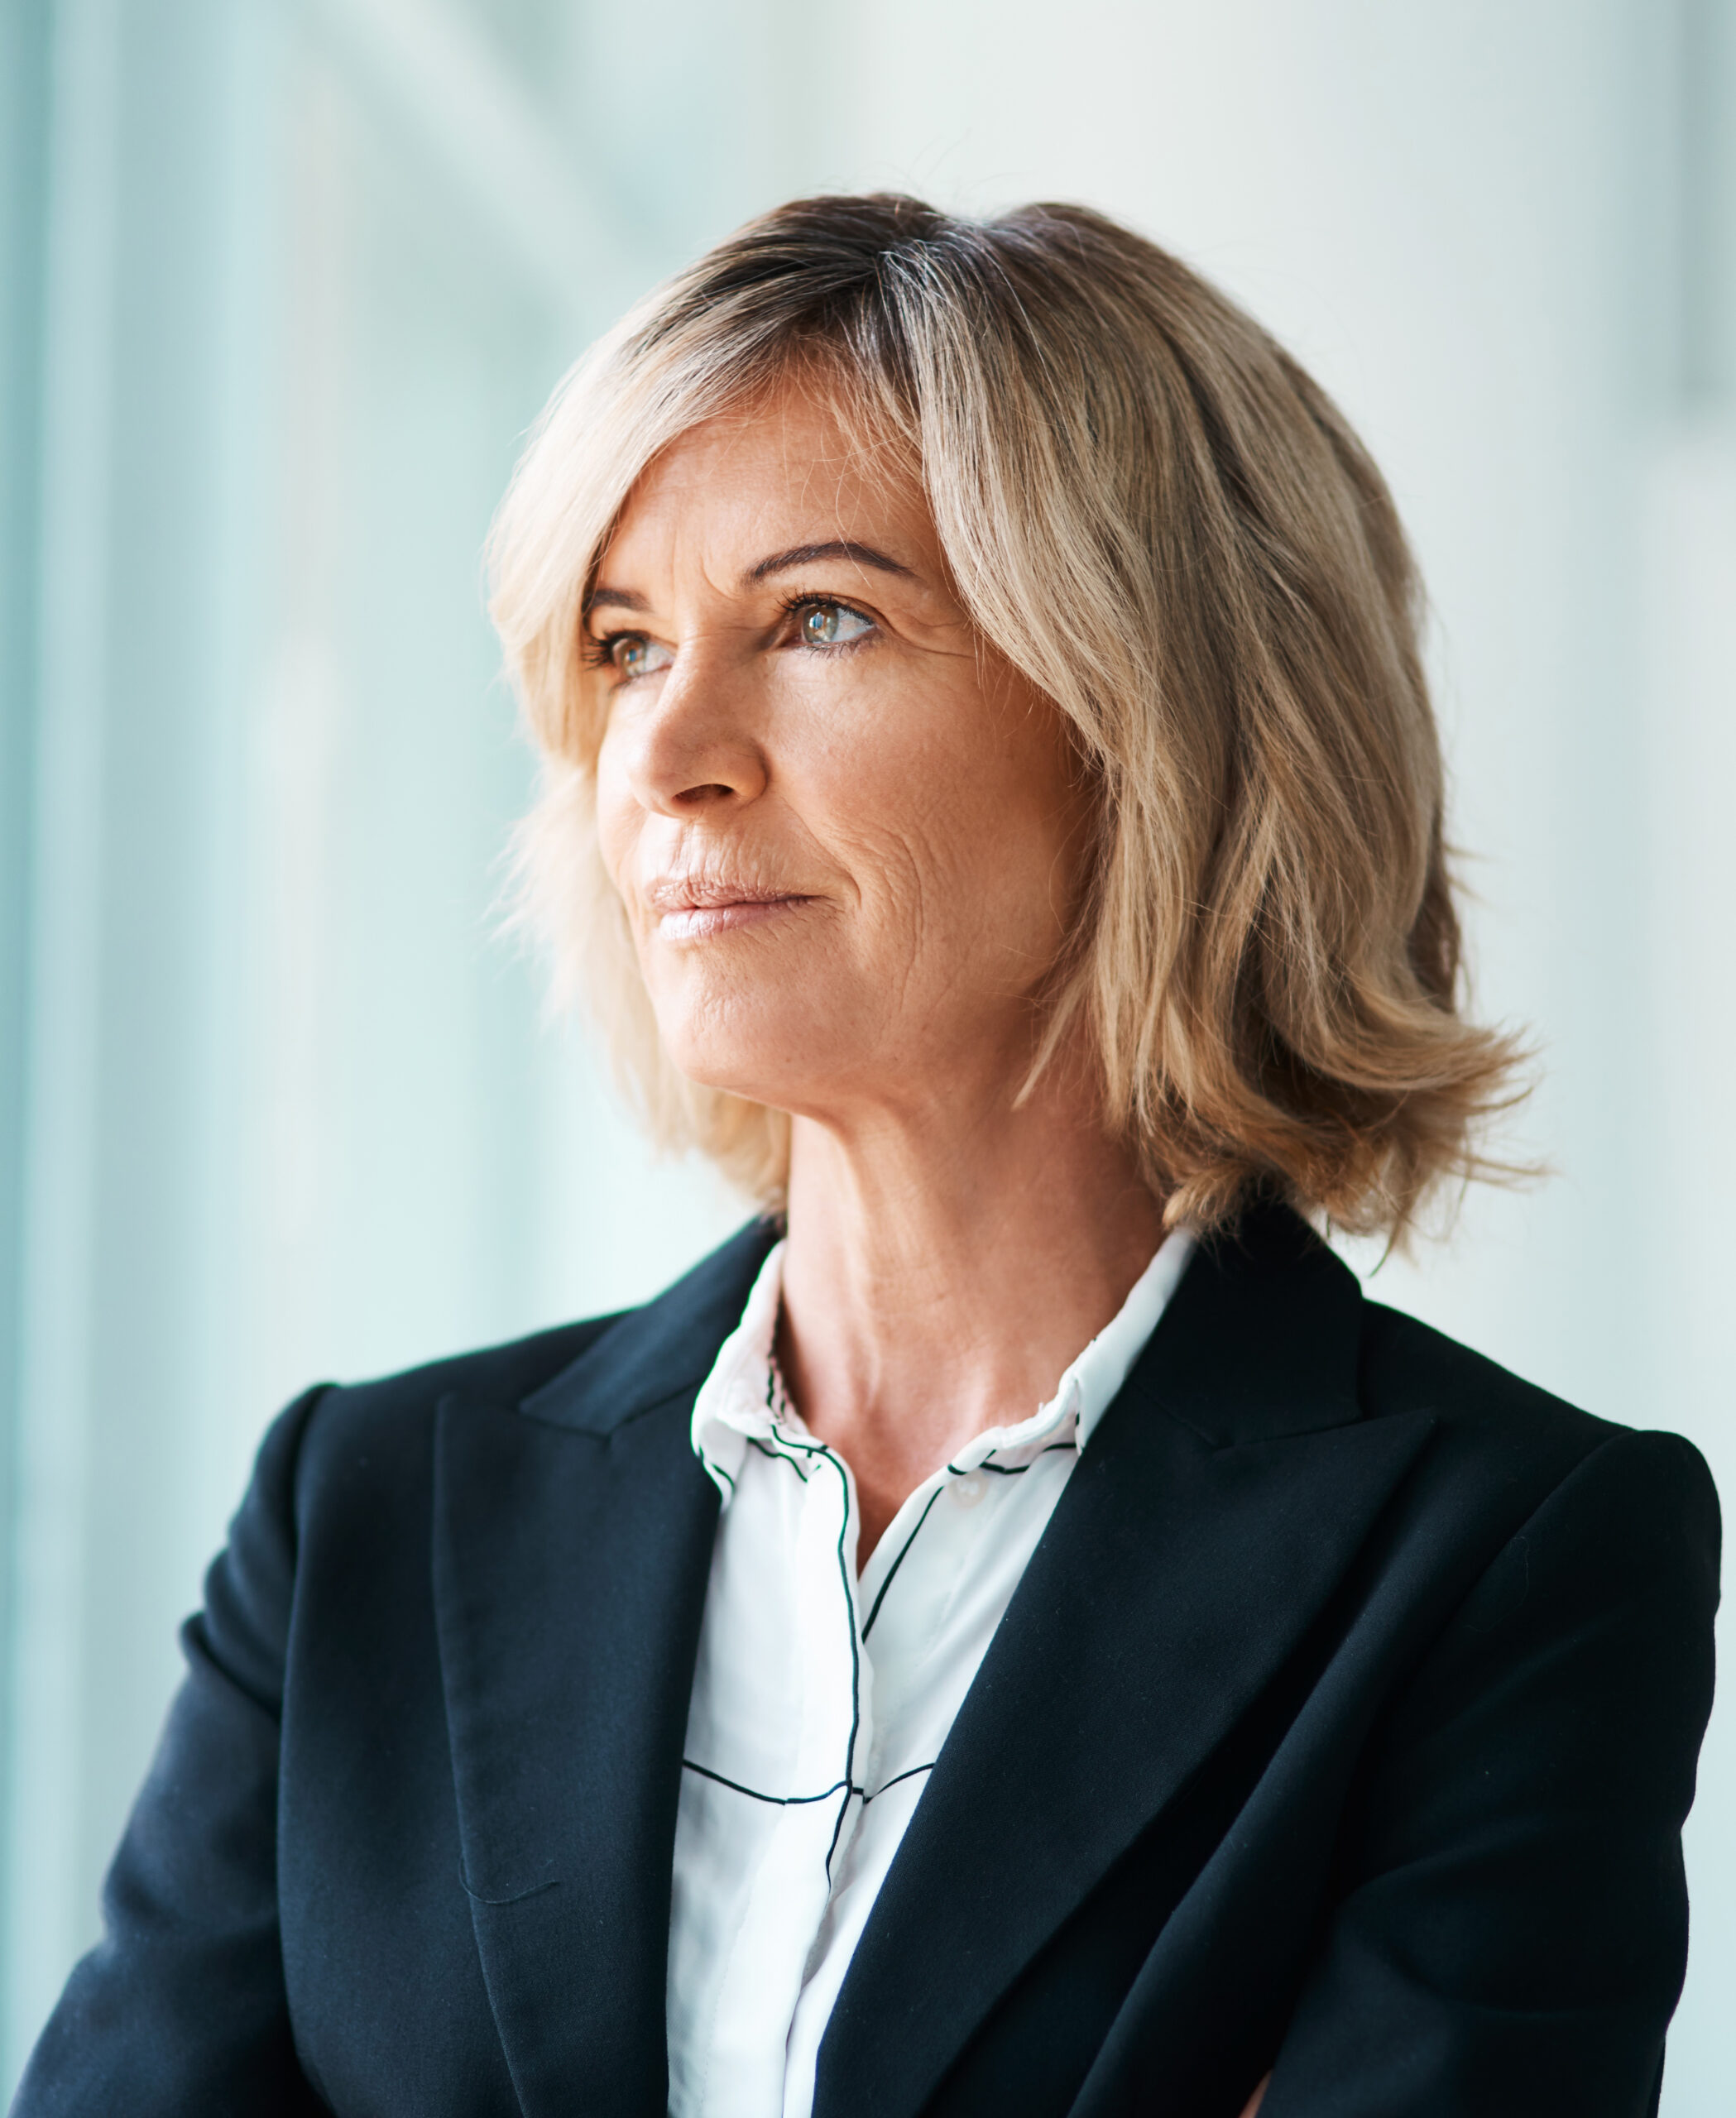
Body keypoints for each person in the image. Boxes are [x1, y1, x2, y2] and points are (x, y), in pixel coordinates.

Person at [15, 194, 1718, 2118]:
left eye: (818, 616)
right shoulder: (364, 1513)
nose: (662, 754)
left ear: (1154, 714)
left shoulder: (1508, 1560)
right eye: (625, 642)